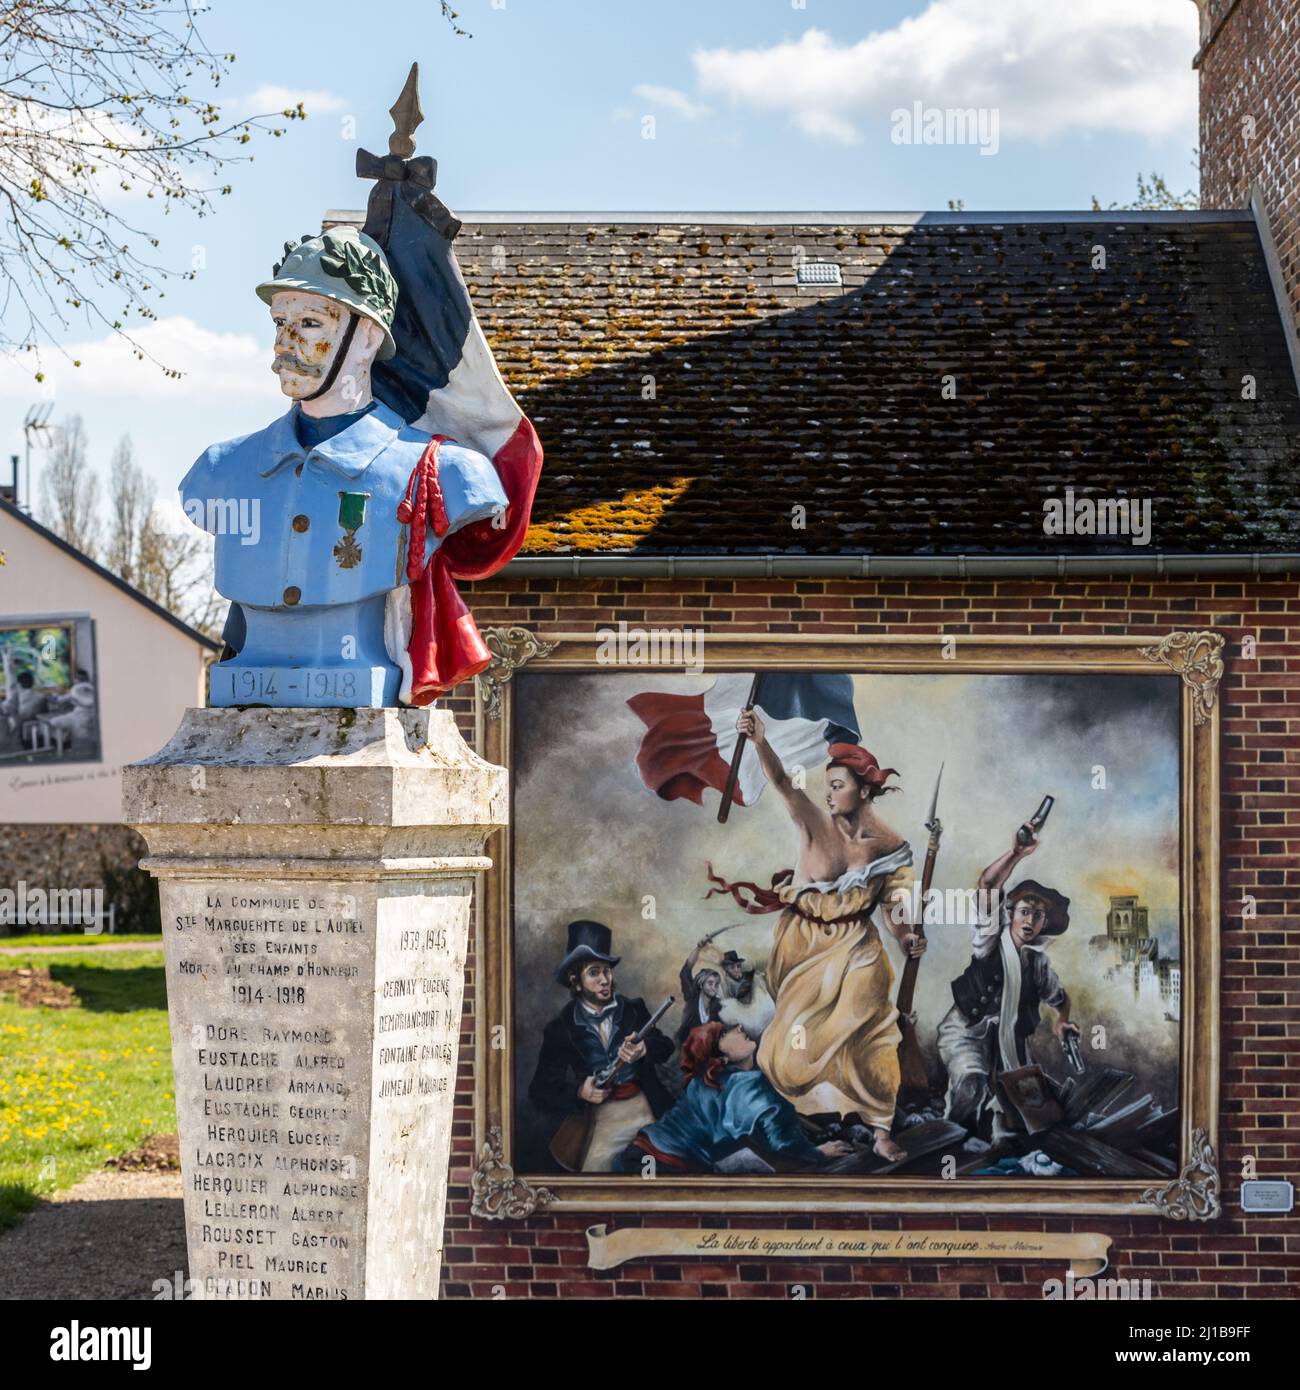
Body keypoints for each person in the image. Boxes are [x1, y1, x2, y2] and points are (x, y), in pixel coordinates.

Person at [180, 226, 509, 708]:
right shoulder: (220, 471)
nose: (284, 344)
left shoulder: (444, 475)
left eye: (311, 323)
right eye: (279, 324)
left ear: (368, 337)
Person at [708, 712, 926, 1161]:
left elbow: (896, 909)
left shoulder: (890, 847)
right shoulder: (813, 820)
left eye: (838, 785)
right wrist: (760, 741)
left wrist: (906, 940)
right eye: (827, 785)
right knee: (788, 1048)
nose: (827, 793)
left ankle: (881, 1130)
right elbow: (785, 783)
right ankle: (810, 1125)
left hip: (858, 948)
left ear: (865, 790)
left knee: (873, 1033)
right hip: (805, 947)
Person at [936, 821, 1079, 1137]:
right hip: (966, 1033)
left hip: (1007, 1045)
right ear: (1011, 913)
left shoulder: (1038, 964)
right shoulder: (989, 939)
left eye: (1038, 916)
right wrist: (1016, 853)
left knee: (1025, 1106)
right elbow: (987, 885)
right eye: (1026, 911)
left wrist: (1062, 1021)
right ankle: (954, 1142)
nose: (1030, 920)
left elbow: (1060, 998)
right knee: (970, 1082)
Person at [528, 920, 673, 1172]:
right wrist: (579, 1092)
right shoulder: (560, 1029)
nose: (604, 980)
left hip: (645, 1109)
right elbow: (540, 1090)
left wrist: (644, 1048)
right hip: (600, 1120)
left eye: (607, 971)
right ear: (576, 980)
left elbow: (666, 1046)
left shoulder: (632, 1009)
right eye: (594, 972)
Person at [618, 1021, 852, 1174]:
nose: (738, 1027)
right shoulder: (745, 1084)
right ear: (722, 1057)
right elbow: (781, 1140)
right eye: (724, 1033)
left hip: (640, 1155)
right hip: (666, 1165)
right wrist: (819, 1153)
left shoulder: (708, 1081)